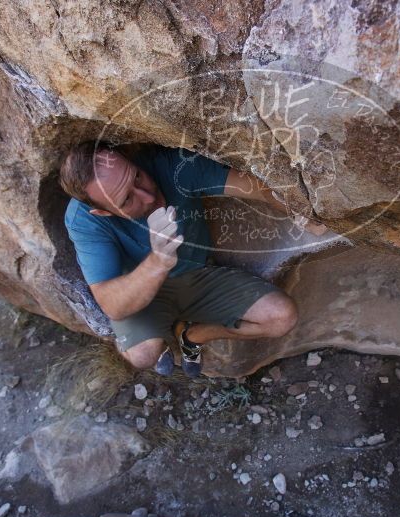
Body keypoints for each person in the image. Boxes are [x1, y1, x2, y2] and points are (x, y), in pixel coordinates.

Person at [58, 141, 328, 377]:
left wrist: (303, 213)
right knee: (143, 355)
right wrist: (158, 261)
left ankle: (191, 335)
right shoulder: (84, 220)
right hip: (140, 292)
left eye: (137, 176)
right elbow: (112, 305)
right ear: (104, 212)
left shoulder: (171, 167)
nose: (148, 196)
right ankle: (157, 340)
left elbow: (254, 186)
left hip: (198, 276)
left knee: (282, 317)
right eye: (127, 199)